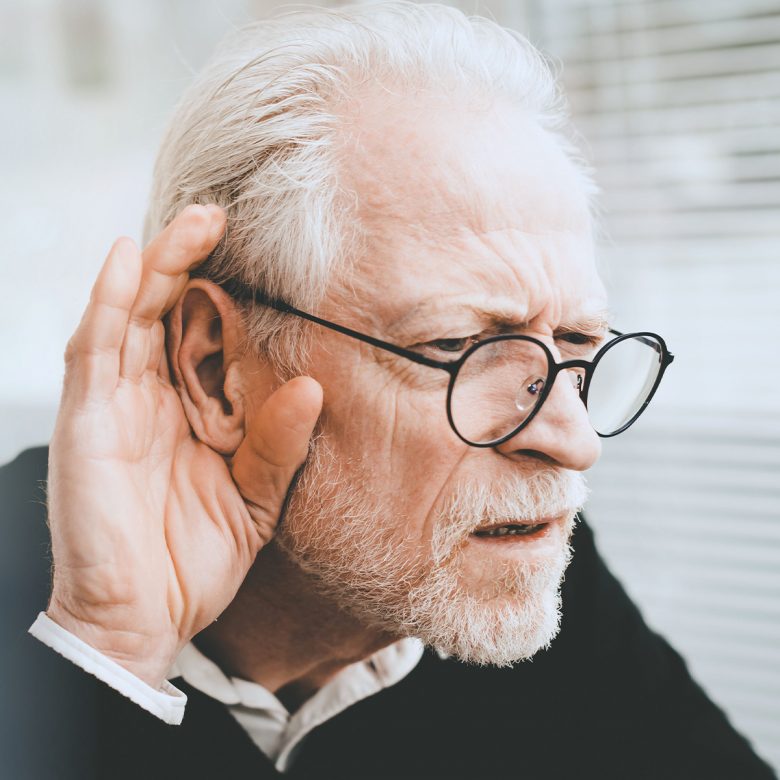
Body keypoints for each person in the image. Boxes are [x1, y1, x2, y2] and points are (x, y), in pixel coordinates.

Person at [1, 3, 775, 778]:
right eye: (458, 345)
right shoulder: (42, 598)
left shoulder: (508, 558)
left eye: (576, 342)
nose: (572, 440)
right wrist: (107, 655)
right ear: (217, 370)